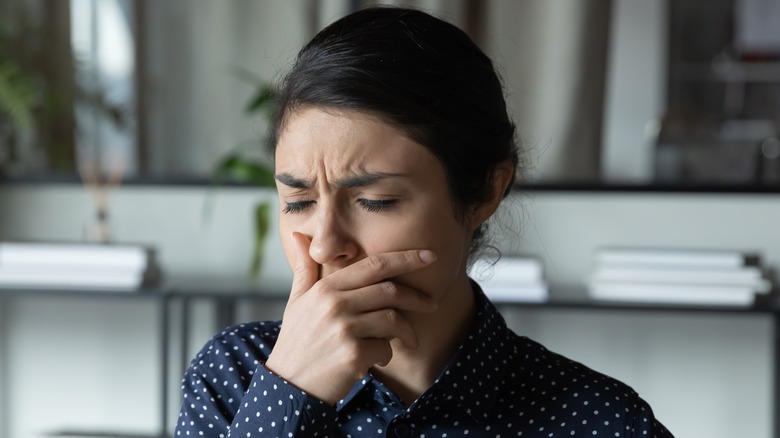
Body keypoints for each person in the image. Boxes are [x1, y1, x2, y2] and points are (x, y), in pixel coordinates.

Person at [175, 6, 673, 438]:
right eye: (298, 202)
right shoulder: (236, 376)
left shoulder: (603, 423)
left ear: (484, 191)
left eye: (375, 201)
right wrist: (292, 392)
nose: (326, 246)